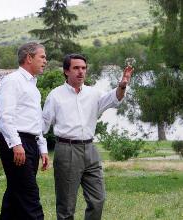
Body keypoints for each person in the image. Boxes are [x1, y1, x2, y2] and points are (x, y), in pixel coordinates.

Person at [42, 54, 133, 220]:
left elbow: (115, 98)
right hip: (66, 150)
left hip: (90, 150)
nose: (81, 72)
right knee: (66, 205)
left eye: (83, 68)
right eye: (76, 68)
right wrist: (41, 149)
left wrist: (122, 85)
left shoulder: (94, 94)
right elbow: (43, 125)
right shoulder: (55, 96)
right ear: (66, 71)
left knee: (98, 199)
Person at [0, 42, 49, 220]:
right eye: (42, 57)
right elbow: (5, 117)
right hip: (16, 142)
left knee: (15, 195)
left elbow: (35, 121)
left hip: (30, 143)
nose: (45, 61)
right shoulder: (12, 81)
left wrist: (42, 148)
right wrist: (16, 144)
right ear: (29, 58)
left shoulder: (33, 86)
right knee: (29, 195)